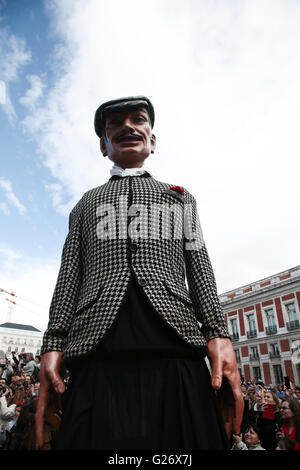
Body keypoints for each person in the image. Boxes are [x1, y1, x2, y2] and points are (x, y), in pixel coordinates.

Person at [35, 95, 243, 450]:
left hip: (175, 349)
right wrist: (52, 344)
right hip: (97, 353)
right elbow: (68, 276)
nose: (127, 126)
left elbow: (199, 265)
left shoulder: (179, 197)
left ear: (152, 139)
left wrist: (218, 334)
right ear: (104, 145)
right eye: (114, 124)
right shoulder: (85, 203)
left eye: (138, 119)